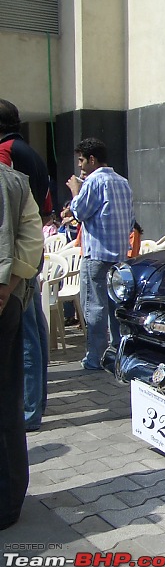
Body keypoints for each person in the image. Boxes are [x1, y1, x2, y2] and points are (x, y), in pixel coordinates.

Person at [0, 98, 50, 432]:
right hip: (29, 251)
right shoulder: (32, 153)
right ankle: (36, 402)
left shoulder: (5, 154)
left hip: (13, 263)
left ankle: (30, 409)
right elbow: (45, 206)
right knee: (34, 330)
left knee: (26, 336)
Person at [0, 162, 44, 530]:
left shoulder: (8, 181)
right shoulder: (14, 182)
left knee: (3, 400)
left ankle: (7, 499)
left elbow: (30, 241)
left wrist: (6, 285)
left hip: (5, 299)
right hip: (10, 296)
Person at [66, 138, 134, 371]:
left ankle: (95, 356)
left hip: (96, 254)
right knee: (116, 307)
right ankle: (119, 353)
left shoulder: (94, 181)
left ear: (92, 159)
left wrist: (76, 191)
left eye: (82, 160)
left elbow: (80, 211)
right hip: (119, 254)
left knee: (94, 307)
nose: (80, 166)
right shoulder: (122, 182)